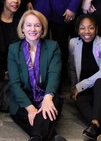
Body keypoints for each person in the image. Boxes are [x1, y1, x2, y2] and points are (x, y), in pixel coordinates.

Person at [7, 10, 64, 141]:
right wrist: (31, 108)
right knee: (35, 117)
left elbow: (54, 74)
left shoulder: (52, 47)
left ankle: (36, 138)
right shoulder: (14, 49)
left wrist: (48, 98)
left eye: (37, 25)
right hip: (24, 100)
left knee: (51, 106)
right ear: (22, 28)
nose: (33, 29)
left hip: (46, 95)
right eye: (28, 25)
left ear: (42, 28)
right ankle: (53, 137)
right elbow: (14, 84)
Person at [0, 0, 29, 111]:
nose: (15, 1)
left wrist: (13, 72)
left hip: (19, 72)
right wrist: (1, 73)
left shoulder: (23, 20)